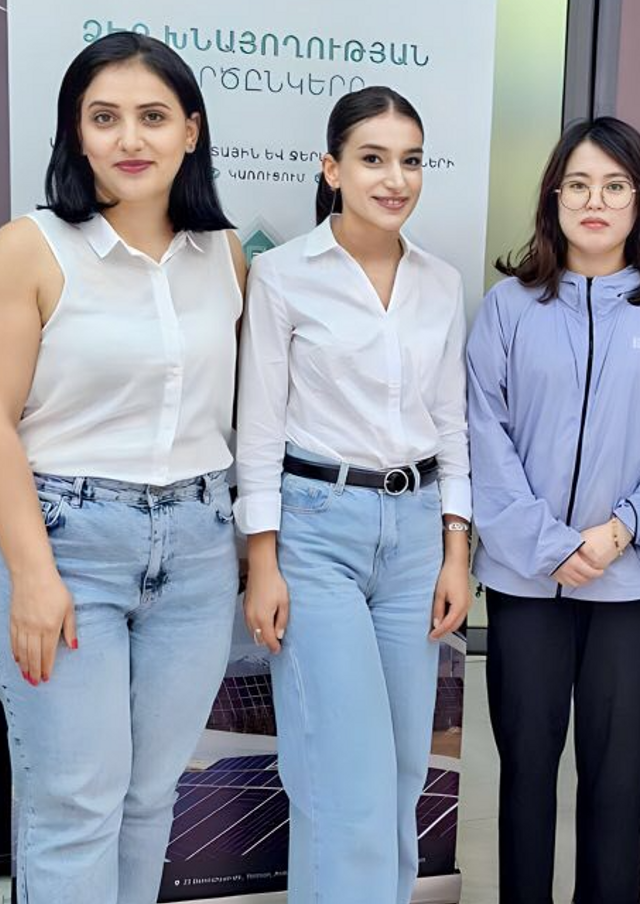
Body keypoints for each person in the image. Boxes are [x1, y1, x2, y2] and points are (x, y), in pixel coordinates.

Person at [0, 32, 247, 902]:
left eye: (153, 116)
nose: (130, 139)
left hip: (198, 546)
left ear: (190, 130)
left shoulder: (224, 254)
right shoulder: (30, 248)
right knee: (74, 806)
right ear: (76, 135)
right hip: (68, 544)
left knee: (150, 798)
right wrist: (33, 574)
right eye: (105, 117)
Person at [467, 116, 640, 903]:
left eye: (615, 186)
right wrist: (547, 544)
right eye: (577, 184)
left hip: (629, 581)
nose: (595, 201)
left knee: (619, 777)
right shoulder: (507, 307)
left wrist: (621, 532)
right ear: (553, 197)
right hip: (525, 581)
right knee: (526, 771)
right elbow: (483, 436)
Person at [234, 86, 471, 904]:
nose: (395, 179)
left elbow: (452, 424)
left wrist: (456, 548)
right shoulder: (282, 276)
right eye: (373, 159)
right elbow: (259, 430)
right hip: (316, 530)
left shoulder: (441, 283)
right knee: (345, 775)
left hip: (416, 534)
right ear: (332, 169)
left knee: (401, 773)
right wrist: (262, 561)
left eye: (411, 161)